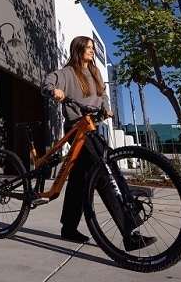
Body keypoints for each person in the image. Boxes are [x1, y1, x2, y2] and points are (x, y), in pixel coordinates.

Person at [41, 35, 156, 251]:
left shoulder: (95, 73)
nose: (92, 51)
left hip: (92, 127)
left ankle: (68, 227)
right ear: (78, 49)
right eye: (88, 47)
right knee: (104, 171)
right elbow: (47, 82)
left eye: (93, 48)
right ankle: (128, 231)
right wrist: (53, 91)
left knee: (80, 179)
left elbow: (102, 95)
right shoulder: (66, 73)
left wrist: (106, 108)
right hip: (78, 129)